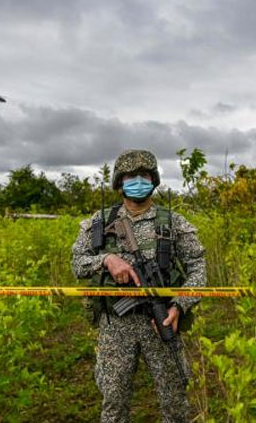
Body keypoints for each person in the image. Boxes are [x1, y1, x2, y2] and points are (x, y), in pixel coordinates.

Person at [71, 149, 207, 423]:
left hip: (161, 322)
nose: (137, 181)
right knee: (114, 404)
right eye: (130, 176)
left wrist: (179, 306)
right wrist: (107, 259)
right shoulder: (100, 222)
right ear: (120, 182)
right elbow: (77, 264)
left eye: (143, 175)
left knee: (176, 403)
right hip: (115, 327)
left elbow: (198, 268)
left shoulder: (173, 222)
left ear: (154, 180)